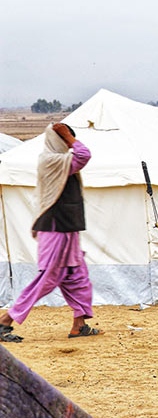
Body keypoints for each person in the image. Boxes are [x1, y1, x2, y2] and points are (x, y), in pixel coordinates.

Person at [0, 123, 101, 342]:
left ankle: (79, 325)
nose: (69, 145)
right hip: (55, 229)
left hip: (68, 228)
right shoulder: (51, 161)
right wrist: (68, 137)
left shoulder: (61, 161)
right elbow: (83, 155)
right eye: (65, 140)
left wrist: (66, 138)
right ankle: (5, 320)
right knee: (47, 278)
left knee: (77, 276)